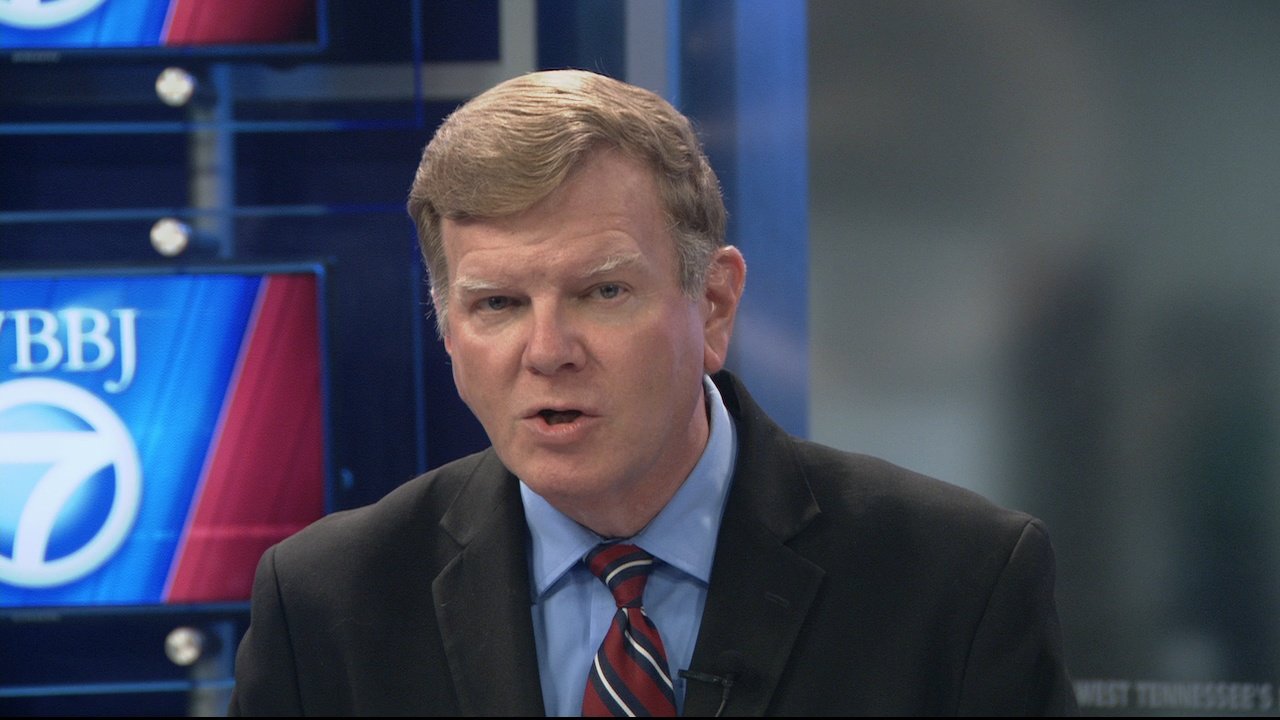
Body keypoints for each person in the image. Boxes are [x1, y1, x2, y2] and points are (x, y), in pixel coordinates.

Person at [227, 68, 1078, 717]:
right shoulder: (329, 605)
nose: (548, 352)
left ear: (714, 304)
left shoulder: (958, 584)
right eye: (498, 305)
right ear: (448, 331)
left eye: (604, 292)